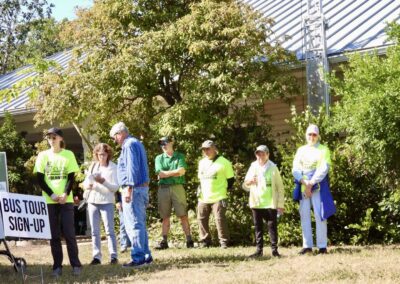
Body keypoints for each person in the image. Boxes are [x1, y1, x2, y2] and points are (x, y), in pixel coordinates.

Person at [33, 127, 82, 277]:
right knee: (54, 235)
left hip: (65, 200)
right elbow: (40, 179)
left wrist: (65, 193)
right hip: (49, 201)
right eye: (49, 138)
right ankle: (57, 267)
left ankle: (76, 265)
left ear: (60, 139)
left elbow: (71, 177)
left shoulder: (68, 154)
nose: (51, 140)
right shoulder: (42, 155)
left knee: (69, 233)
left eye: (54, 137)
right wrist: (52, 194)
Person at [109, 122, 153, 267]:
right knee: (139, 223)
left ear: (120, 133)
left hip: (133, 188)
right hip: (140, 188)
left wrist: (128, 188)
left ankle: (138, 258)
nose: (114, 140)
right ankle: (146, 256)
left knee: (133, 223)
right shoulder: (136, 143)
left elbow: (131, 168)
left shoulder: (128, 145)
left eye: (114, 136)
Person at [292, 124, 336, 255]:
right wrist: (304, 181)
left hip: (318, 187)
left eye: (314, 134)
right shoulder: (301, 150)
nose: (312, 137)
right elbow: (295, 168)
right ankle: (307, 246)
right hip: (303, 187)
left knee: (319, 215)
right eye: (309, 134)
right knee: (304, 215)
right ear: (306, 135)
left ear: (318, 136)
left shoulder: (324, 150)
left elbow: (324, 168)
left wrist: (311, 183)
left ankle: (322, 246)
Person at [243, 145, 285, 258]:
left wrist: (280, 204)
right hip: (256, 203)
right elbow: (245, 185)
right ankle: (259, 250)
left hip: (270, 203)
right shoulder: (253, 166)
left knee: (272, 227)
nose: (260, 156)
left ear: (268, 154)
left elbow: (280, 187)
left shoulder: (273, 167)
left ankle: (274, 250)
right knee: (258, 228)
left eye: (263, 153)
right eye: (258, 153)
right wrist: (250, 181)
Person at [82, 143, 119, 265]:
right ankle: (96, 257)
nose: (101, 157)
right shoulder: (93, 166)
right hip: (92, 201)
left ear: (108, 154)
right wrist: (89, 185)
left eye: (103, 154)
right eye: (99, 154)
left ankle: (113, 256)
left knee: (109, 231)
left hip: (107, 201)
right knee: (94, 231)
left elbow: (115, 187)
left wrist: (103, 182)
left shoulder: (114, 167)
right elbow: (85, 183)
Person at [154, 136, 194, 250]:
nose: (163, 145)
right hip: (163, 188)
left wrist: (167, 174)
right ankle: (164, 241)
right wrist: (174, 173)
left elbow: (182, 171)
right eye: (161, 144)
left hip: (177, 187)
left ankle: (189, 240)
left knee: (183, 214)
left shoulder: (180, 156)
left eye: (165, 142)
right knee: (165, 216)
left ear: (171, 143)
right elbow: (160, 174)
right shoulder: (159, 158)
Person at [197, 140, 234, 248]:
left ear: (214, 148)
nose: (206, 151)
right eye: (204, 149)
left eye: (208, 149)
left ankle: (224, 242)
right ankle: (205, 241)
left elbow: (231, 180)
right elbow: (201, 179)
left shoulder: (224, 162)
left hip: (219, 196)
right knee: (201, 218)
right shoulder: (202, 162)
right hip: (204, 197)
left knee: (220, 219)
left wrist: (222, 190)